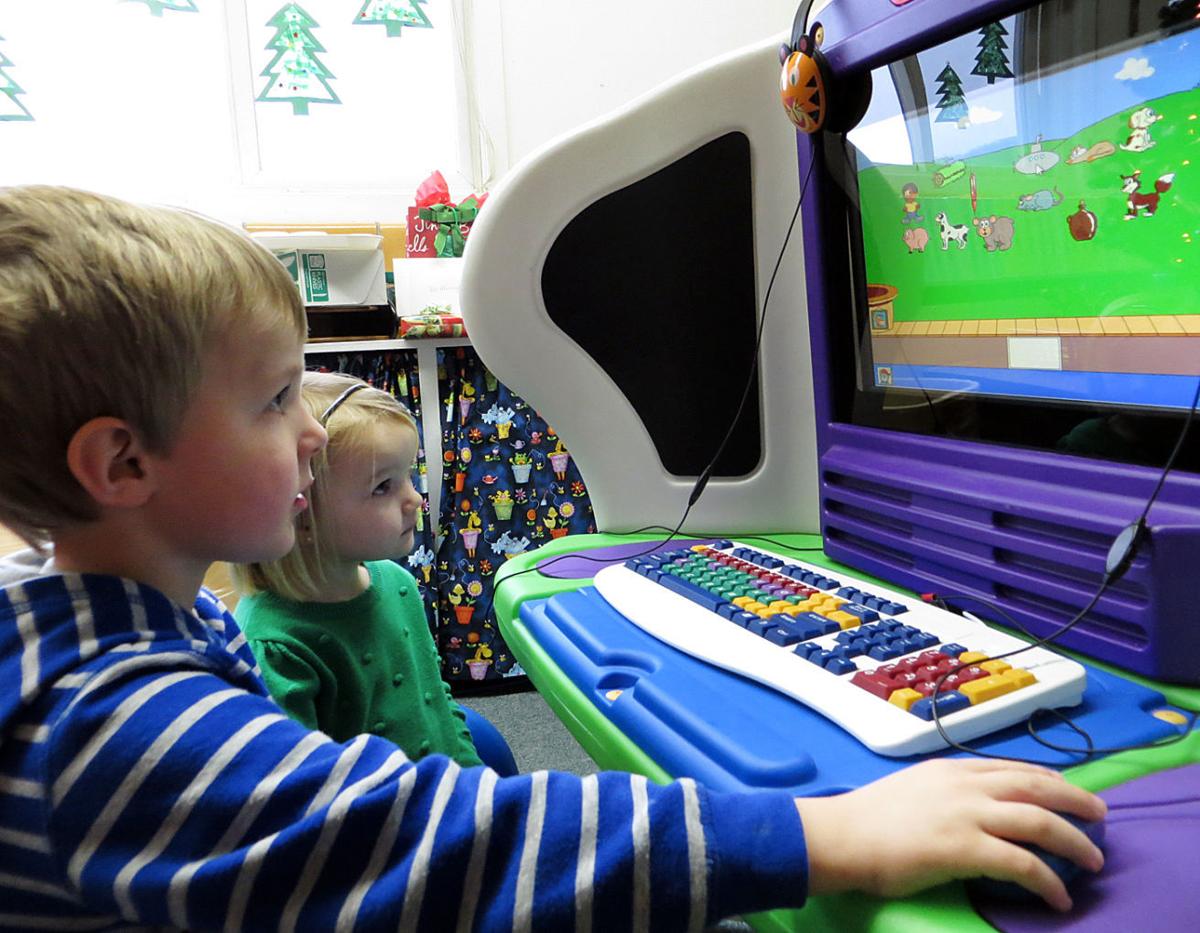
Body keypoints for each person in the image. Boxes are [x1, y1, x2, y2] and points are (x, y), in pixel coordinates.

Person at [0, 185, 1105, 930]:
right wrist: (821, 834)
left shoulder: (120, 623)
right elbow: (425, 849)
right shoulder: (108, 720)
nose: (307, 432)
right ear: (122, 464)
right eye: (276, 396)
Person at [231, 371, 507, 773]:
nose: (414, 498)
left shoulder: (399, 584)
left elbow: (437, 703)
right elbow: (301, 793)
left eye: (409, 476)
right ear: (301, 509)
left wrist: (475, 783)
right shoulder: (276, 648)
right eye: (383, 487)